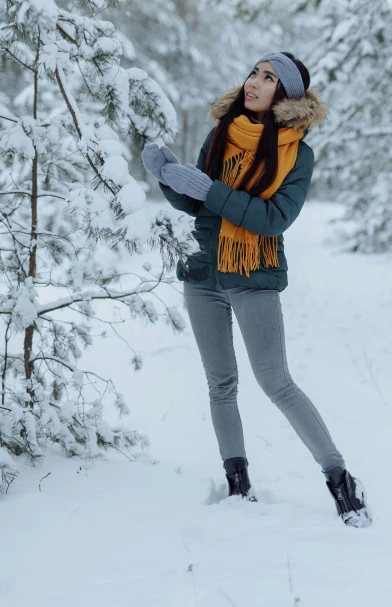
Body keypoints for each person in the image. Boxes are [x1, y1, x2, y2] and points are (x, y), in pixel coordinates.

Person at [141, 51, 372, 528]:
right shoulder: (221, 134)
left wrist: (207, 191)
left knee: (276, 383)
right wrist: (167, 178)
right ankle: (237, 482)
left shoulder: (297, 152)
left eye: (269, 78)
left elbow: (274, 219)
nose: (255, 82)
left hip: (254, 275)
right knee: (220, 384)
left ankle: (340, 478)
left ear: (285, 95)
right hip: (204, 272)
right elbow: (200, 206)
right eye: (253, 72)